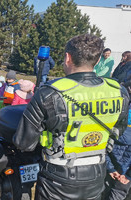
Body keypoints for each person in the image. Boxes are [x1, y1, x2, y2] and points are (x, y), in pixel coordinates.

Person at [13, 34, 129, 200]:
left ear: (67, 58)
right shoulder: (119, 91)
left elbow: (23, 142)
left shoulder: (49, 93)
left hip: (57, 177)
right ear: (97, 61)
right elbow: (118, 130)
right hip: (97, 173)